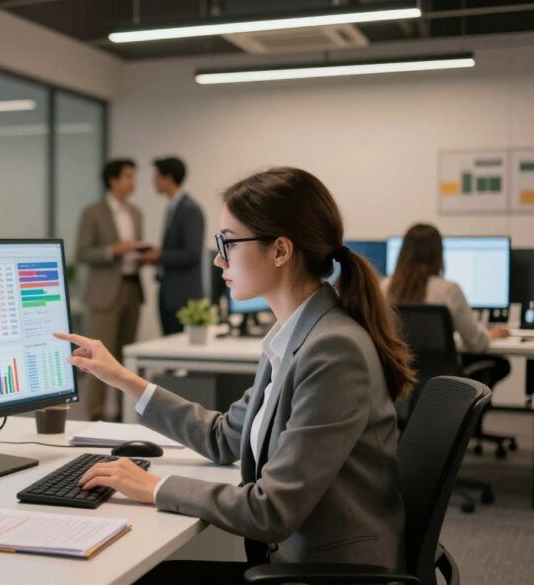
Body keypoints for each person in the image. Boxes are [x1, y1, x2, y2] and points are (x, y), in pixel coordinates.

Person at [56, 167, 413, 582]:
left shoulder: (333, 349)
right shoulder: (293, 333)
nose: (217, 258)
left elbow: (271, 510)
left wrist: (154, 486)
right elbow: (225, 436)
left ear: (280, 251)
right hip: (292, 558)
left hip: (327, 571)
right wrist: (124, 379)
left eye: (228, 242)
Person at [383, 223, 510, 386]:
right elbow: (475, 343)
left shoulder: (383, 288)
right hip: (441, 382)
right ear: (438, 254)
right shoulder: (449, 290)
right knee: (501, 364)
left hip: (397, 377)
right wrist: (490, 335)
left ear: (403, 253)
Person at [76, 159, 147, 421]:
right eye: (128, 176)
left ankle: (122, 415)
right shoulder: (93, 212)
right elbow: (82, 252)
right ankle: (94, 415)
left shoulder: (136, 212)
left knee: (125, 359)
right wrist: (114, 250)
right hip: (104, 294)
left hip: (132, 288)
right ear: (112, 180)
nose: (133, 182)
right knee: (99, 358)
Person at [143, 156, 205, 335]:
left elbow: (193, 253)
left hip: (182, 296)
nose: (154, 181)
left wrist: (159, 256)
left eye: (157, 176)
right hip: (169, 291)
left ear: (168, 178)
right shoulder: (173, 207)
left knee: (178, 349)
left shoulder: (189, 209)